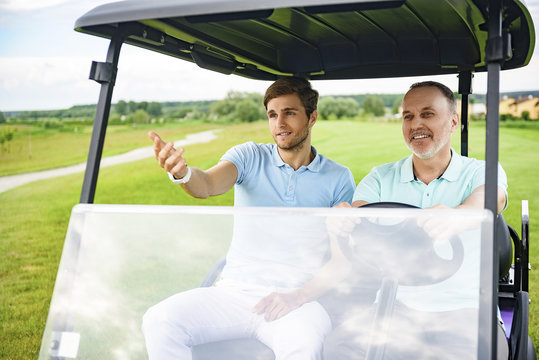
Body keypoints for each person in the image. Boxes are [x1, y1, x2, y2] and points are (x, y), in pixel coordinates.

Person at [141, 76, 356, 360]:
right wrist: (182, 174)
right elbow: (206, 184)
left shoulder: (339, 178)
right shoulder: (249, 156)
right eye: (272, 114)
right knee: (160, 320)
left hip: (296, 302)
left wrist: (297, 297)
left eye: (289, 113)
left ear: (312, 117)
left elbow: (341, 263)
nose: (279, 123)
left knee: (303, 345)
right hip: (234, 293)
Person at [328, 81, 509, 359]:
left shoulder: (480, 172)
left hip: (466, 308)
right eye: (408, 116)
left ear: (453, 122)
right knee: (338, 347)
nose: (415, 124)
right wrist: (346, 221)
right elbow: (361, 215)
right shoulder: (380, 177)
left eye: (427, 114)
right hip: (395, 305)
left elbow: (489, 200)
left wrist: (458, 216)